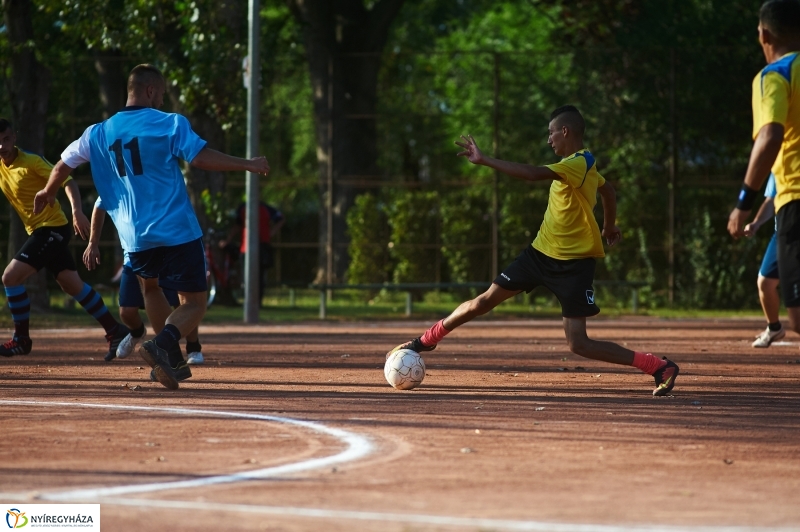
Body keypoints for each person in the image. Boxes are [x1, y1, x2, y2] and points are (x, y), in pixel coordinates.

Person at [387, 106, 680, 396]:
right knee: (483, 301)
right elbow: (608, 190)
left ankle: (658, 366)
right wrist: (609, 225)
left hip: (573, 265)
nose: (549, 139)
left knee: (579, 344)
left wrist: (486, 160)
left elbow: (532, 174)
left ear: (565, 131)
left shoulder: (580, 162)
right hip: (539, 254)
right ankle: (424, 341)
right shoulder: (583, 166)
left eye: (551, 133)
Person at [33, 64, 270, 389]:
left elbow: (62, 165)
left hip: (134, 237)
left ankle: (167, 359)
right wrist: (247, 164)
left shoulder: (97, 132)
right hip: (176, 230)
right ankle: (164, 344)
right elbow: (199, 157)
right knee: (195, 303)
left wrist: (47, 191)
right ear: (149, 91)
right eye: (159, 93)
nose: (161, 100)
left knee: (152, 289)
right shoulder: (169, 122)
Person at [0, 118, 128, 358]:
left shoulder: (31, 162)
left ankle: (21, 339)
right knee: (71, 284)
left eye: (6, 139)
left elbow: (67, 181)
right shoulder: (1, 166)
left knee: (10, 277)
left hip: (51, 229)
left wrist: (77, 211)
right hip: (42, 231)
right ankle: (114, 329)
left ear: (14, 137)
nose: (2, 146)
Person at [728, 0, 800, 340]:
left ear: (764, 34)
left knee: (797, 317)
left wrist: (743, 203)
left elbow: (770, 136)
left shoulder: (775, 75)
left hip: (796, 198)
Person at [84, 199, 205, 379]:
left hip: (146, 243)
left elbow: (65, 173)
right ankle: (164, 349)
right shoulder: (142, 180)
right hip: (163, 243)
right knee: (191, 302)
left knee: (173, 298)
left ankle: (187, 349)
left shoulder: (114, 178)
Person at [744, 173, 785, 347]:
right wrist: (757, 223)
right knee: (765, 283)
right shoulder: (779, 166)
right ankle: (774, 327)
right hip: (784, 233)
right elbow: (770, 200)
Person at [222, 201, 284, 305]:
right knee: (246, 276)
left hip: (262, 246)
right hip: (246, 248)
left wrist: (271, 232)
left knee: (260, 277)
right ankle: (249, 301)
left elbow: (281, 219)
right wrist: (228, 240)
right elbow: (238, 225)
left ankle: (258, 302)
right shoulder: (243, 207)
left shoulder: (265, 208)